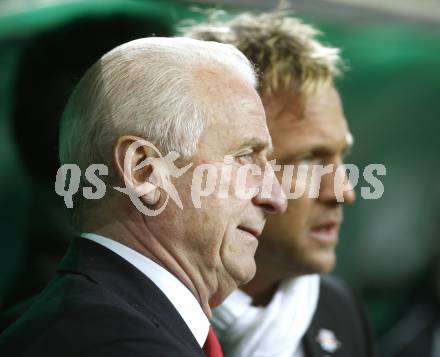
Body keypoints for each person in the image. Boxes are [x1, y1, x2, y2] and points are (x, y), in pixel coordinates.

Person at [0, 37, 286, 356]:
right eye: (245, 157)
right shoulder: (117, 346)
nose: (276, 198)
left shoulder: (64, 323)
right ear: (145, 172)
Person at [184, 11, 376, 357]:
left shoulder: (339, 309)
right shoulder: (128, 313)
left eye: (341, 156)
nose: (343, 192)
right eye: (308, 160)